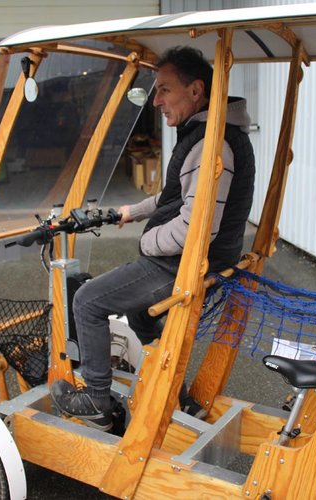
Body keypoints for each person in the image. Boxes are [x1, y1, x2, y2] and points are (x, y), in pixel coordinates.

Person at [51, 46, 255, 431]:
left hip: (182, 262)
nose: (156, 100)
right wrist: (131, 212)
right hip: (200, 260)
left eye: (164, 89)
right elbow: (175, 195)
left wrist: (147, 242)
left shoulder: (214, 145)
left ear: (196, 91)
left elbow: (196, 229)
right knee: (138, 310)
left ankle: (95, 398)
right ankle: (172, 392)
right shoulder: (208, 135)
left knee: (87, 300)